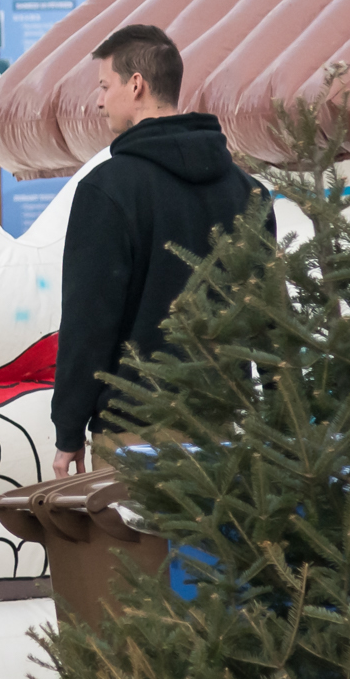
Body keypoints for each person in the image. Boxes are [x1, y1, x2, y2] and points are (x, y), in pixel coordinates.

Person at [43, 25, 255, 479]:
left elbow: (89, 319)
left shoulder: (107, 189)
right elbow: (268, 314)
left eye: (104, 86)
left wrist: (68, 430)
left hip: (133, 433)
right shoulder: (245, 190)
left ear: (136, 84)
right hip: (225, 429)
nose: (99, 102)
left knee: (130, 531)